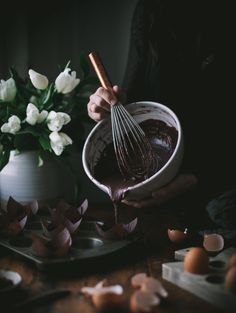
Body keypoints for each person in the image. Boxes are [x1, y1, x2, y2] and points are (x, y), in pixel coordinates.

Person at [87, 0, 234, 208]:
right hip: (156, 177)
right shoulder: (150, 9)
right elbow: (132, 99)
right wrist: (105, 105)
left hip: (221, 181)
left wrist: (197, 177)